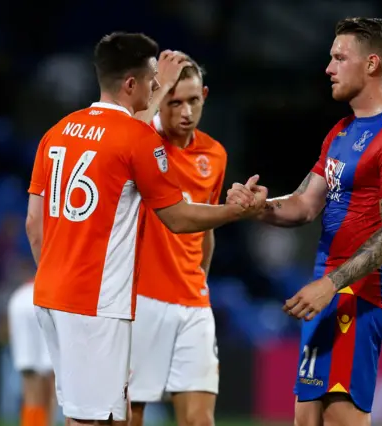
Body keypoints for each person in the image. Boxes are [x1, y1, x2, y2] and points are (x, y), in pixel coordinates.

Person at [25, 32, 266, 426]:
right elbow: (177, 217)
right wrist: (235, 212)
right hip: (96, 300)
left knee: (96, 417)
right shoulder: (137, 139)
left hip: (53, 292)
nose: (160, 86)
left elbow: (34, 223)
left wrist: (53, 278)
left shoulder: (59, 130)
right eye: (156, 81)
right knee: (95, 420)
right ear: (132, 84)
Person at [227, 17, 382, 426]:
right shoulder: (342, 131)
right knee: (305, 421)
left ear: (371, 64)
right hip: (324, 294)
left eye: (340, 57)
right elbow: (303, 204)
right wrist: (257, 207)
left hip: (358, 295)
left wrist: (331, 284)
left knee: (339, 419)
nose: (329, 67)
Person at [128, 56, 224, 426]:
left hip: (193, 302)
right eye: (174, 101)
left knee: (200, 420)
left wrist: (200, 280)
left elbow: (206, 228)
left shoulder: (214, 155)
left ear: (204, 96)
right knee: (130, 414)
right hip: (140, 299)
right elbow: (119, 133)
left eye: (193, 101)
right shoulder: (139, 141)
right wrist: (157, 88)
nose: (185, 112)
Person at [8, 278, 55, 426]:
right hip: (49, 295)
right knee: (49, 375)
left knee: (29, 375)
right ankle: (44, 423)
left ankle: (30, 423)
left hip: (21, 297)